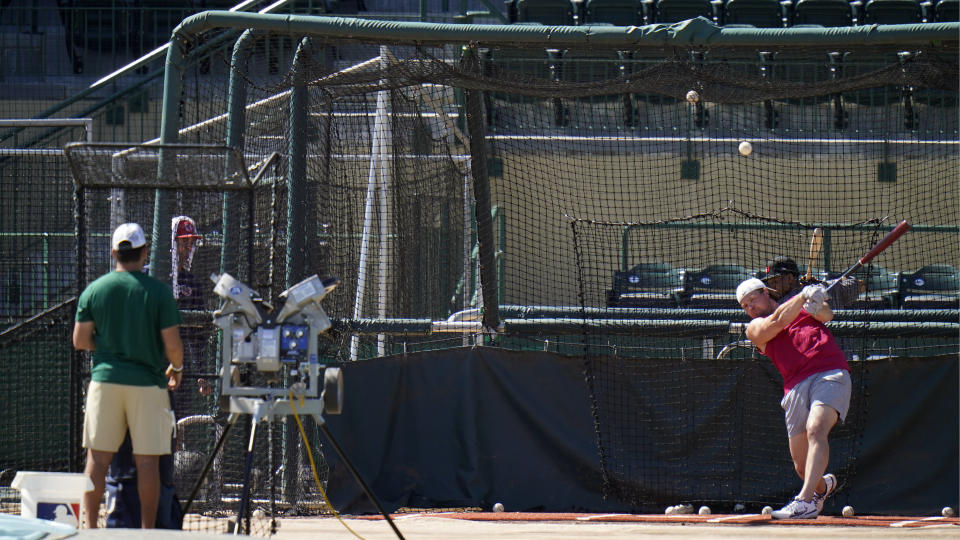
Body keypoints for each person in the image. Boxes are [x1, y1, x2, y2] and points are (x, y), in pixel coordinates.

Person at [73, 223, 184, 528]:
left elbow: (80, 341)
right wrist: (177, 368)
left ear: (114, 253)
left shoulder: (95, 290)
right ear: (145, 252)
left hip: (105, 382)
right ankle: (147, 533)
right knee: (147, 460)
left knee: (97, 460)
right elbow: (173, 346)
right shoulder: (158, 292)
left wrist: (107, 345)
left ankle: (91, 531)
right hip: (148, 385)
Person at [736, 277, 851, 520]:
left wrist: (817, 301)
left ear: (765, 293)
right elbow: (777, 321)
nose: (750, 308)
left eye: (752, 300)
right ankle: (821, 488)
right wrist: (802, 297)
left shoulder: (797, 307)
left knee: (816, 428)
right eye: (745, 306)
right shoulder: (754, 328)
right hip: (795, 386)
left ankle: (804, 501)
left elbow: (827, 316)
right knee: (801, 466)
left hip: (829, 372)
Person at [762, 256, 861, 309]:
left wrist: (812, 286)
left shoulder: (780, 304)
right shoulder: (827, 287)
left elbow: (859, 285)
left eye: (775, 282)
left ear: (790, 278)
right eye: (770, 283)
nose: (773, 287)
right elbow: (860, 285)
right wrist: (819, 284)